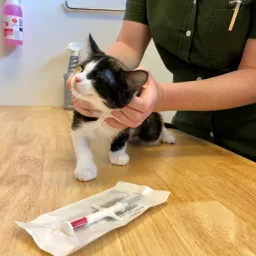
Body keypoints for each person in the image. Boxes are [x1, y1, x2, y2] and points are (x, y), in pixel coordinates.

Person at [67, 1, 256, 162]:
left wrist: (162, 96)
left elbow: (252, 73)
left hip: (247, 142)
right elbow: (128, 45)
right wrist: (96, 76)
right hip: (189, 131)